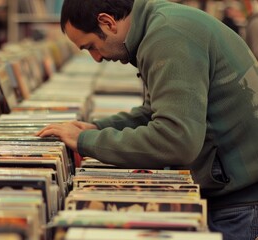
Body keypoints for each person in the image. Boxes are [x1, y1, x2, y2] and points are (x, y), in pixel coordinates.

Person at [36, 1, 258, 239]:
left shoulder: (168, 36)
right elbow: (154, 113)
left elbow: (176, 140)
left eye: (92, 46)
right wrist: (97, 127)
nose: (96, 58)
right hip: (230, 188)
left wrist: (86, 141)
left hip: (235, 202)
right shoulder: (159, 24)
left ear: (107, 23)